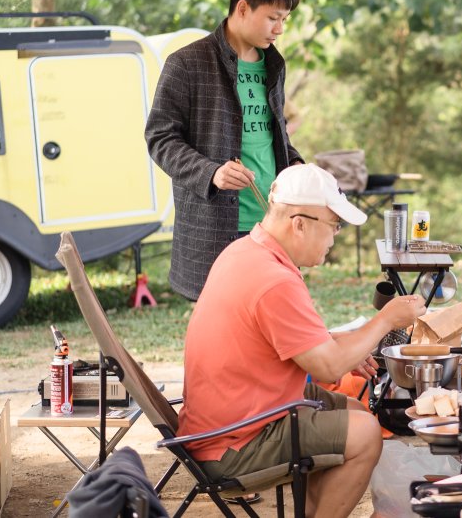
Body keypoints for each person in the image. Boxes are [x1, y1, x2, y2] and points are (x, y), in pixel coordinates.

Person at [179, 163, 425, 518]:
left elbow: (291, 340)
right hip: (234, 441)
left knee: (354, 410)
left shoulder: (248, 251)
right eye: (334, 226)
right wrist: (386, 319)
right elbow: (326, 364)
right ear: (299, 223)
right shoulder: (274, 279)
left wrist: (345, 343)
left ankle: (311, 511)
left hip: (237, 412)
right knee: (366, 432)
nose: (334, 237)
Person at [145, 0, 304, 301]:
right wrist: (211, 172)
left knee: (271, 323)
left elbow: (274, 135)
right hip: (216, 227)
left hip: (273, 224)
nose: (279, 29)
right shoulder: (186, 63)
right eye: (273, 18)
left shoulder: (274, 65)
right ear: (243, 8)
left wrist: (297, 167)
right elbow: (159, 137)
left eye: (284, 20)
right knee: (223, 330)